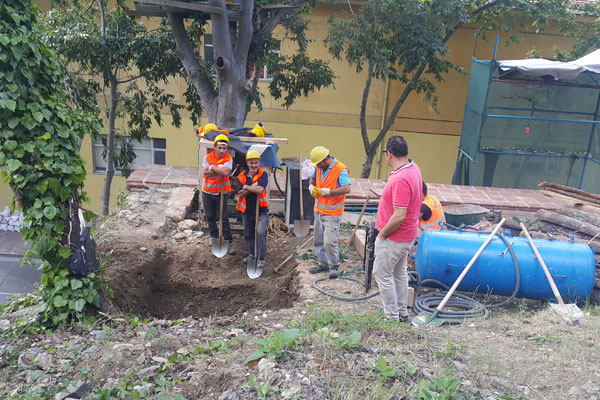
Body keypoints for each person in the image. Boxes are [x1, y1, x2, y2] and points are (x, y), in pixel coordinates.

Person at [373, 136, 422, 322]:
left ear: (389, 154)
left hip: (395, 237)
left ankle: (391, 316)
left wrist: (382, 234)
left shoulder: (401, 178)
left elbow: (399, 215)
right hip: (407, 235)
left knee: (382, 274)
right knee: (399, 273)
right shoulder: (413, 167)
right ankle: (402, 313)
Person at [307, 146, 351, 279]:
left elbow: (347, 188)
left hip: (332, 213)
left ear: (325, 159)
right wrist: (311, 187)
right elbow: (312, 179)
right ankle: (323, 263)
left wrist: (328, 192)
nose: (318, 167)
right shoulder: (319, 167)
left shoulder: (340, 169)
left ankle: (334, 266)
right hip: (319, 210)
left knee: (329, 241)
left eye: (319, 163)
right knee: (318, 239)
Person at [236, 150, 269, 268]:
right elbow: (240, 193)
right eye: (251, 163)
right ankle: (252, 254)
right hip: (247, 211)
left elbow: (260, 190)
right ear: (247, 163)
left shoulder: (263, 174)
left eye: (256, 163)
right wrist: (253, 187)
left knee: (260, 232)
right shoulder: (241, 176)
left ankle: (261, 257)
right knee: (248, 234)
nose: (254, 165)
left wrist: (247, 187)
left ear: (259, 162)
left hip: (261, 210)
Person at [202, 134, 234, 253]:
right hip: (207, 192)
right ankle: (214, 238)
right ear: (215, 147)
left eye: (224, 148)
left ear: (227, 149)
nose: (222, 150)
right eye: (219, 147)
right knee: (210, 217)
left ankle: (229, 241)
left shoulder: (229, 158)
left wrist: (213, 168)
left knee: (224, 218)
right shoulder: (208, 157)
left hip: (221, 193)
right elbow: (206, 174)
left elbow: (225, 172)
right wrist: (218, 169)